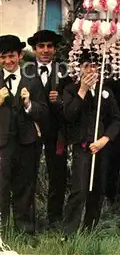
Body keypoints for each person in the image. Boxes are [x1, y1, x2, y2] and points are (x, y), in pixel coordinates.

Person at [62, 50, 120, 237]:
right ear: (79, 68)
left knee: (98, 189)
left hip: (101, 147)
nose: (90, 70)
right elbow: (69, 115)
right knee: (79, 190)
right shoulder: (71, 89)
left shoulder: (106, 91)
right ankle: (69, 231)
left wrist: (104, 140)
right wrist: (82, 91)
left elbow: (116, 120)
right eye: (86, 66)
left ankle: (90, 228)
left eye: (94, 66)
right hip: (82, 147)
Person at [0, 35, 48, 235]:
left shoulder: (32, 79)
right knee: (0, 187)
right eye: (3, 57)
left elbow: (44, 110)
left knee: (25, 186)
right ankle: (1, 231)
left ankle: (24, 230)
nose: (8, 61)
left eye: (11, 56)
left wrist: (29, 104)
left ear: (19, 55)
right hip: (2, 142)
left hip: (26, 142)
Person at [25, 29, 69, 227]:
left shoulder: (64, 70)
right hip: (31, 129)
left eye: (49, 46)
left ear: (54, 49)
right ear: (34, 49)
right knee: (28, 174)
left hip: (56, 131)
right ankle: (28, 218)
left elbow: (71, 101)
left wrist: (60, 101)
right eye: (41, 46)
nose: (45, 50)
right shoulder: (25, 70)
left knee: (57, 175)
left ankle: (55, 218)